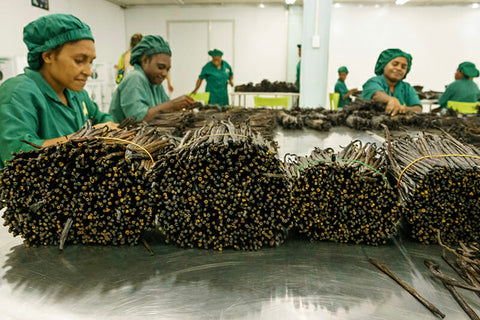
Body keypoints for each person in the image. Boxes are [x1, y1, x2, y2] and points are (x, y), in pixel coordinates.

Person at [0, 14, 115, 169]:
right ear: (48, 56)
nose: (88, 71)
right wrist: (88, 137)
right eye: (79, 60)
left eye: (91, 62)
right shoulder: (18, 93)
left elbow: (102, 120)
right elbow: (17, 155)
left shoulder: (76, 93)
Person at [109, 35, 194, 123]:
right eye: (161, 67)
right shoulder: (134, 78)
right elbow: (138, 119)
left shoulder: (155, 84)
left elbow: (166, 110)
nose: (165, 74)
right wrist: (172, 105)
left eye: (167, 69)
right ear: (145, 60)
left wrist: (182, 107)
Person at [361, 48, 422, 116]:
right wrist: (391, 100)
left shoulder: (407, 88)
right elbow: (376, 94)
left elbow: (418, 109)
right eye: (395, 64)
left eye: (403, 67)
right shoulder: (372, 82)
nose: (399, 68)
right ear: (384, 65)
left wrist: (403, 109)